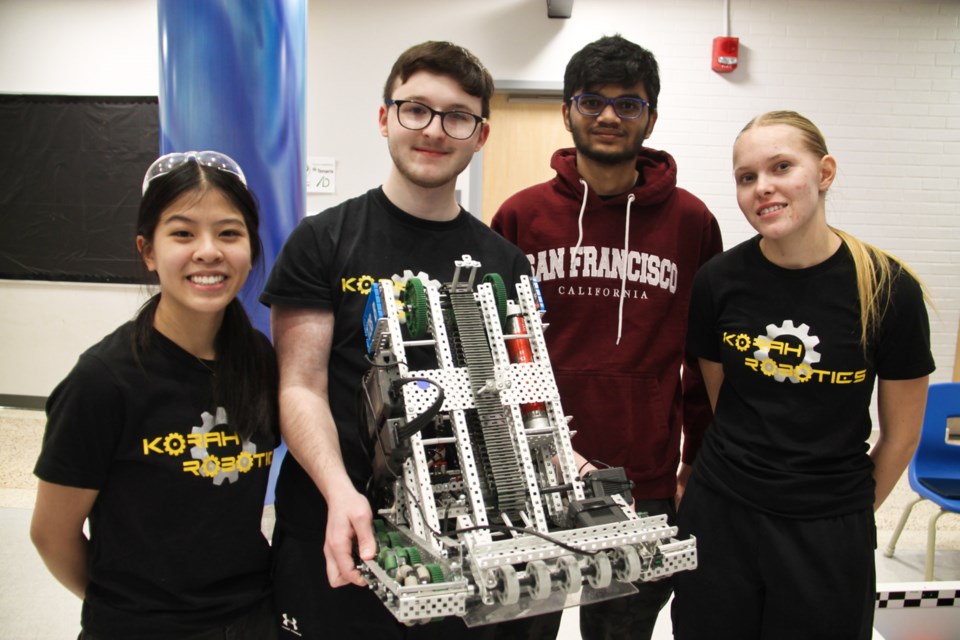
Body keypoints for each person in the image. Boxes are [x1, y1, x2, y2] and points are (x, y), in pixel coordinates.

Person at [259, 41, 532, 639]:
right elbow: (299, 387)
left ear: (479, 135)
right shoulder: (323, 242)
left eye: (458, 116)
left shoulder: (504, 263)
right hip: (336, 525)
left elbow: (509, 398)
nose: (434, 130)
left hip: (464, 539)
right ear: (385, 117)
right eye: (416, 109)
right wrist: (338, 492)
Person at [491, 34, 722, 639]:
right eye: (592, 101)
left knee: (622, 632)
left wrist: (694, 457)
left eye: (629, 103)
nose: (610, 116)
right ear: (567, 110)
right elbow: (491, 352)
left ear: (652, 115)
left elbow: (704, 360)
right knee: (519, 629)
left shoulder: (692, 222)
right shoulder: (520, 216)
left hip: (640, 476)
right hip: (532, 475)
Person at [671, 111, 935, 639]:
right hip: (723, 512)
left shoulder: (888, 288)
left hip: (828, 530)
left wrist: (838, 511)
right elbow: (725, 402)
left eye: (781, 167)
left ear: (825, 172)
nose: (762, 187)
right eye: (747, 177)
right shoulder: (718, 281)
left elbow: (902, 436)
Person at [30, 150, 280, 639]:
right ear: (147, 250)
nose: (208, 251)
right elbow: (51, 535)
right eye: (182, 233)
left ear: (251, 248)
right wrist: (131, 615)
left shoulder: (260, 359)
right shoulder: (103, 380)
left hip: (251, 617)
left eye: (229, 233)